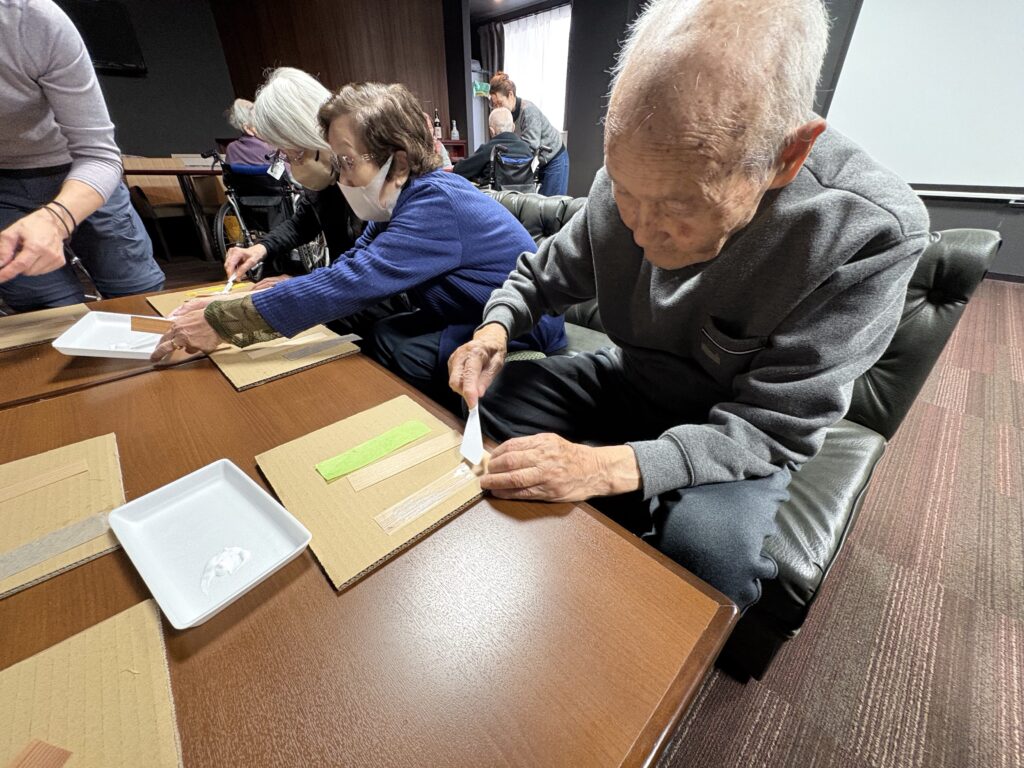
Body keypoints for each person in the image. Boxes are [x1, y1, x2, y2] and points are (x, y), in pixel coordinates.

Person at [448, 0, 930, 611]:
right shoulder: (630, 181)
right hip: (631, 380)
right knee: (486, 403)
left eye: (680, 206)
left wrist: (604, 469)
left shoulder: (868, 230)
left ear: (788, 156)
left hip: (733, 421)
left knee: (709, 550)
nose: (641, 230)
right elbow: (540, 278)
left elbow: (773, 426)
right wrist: (494, 330)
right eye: (626, 192)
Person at [153, 82, 566, 408]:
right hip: (465, 311)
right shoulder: (400, 201)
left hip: (521, 324)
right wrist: (275, 294)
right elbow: (353, 262)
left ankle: (453, 417)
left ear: (397, 161)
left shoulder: (435, 204)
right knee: (385, 334)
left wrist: (224, 321)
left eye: (348, 162)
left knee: (400, 348)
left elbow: (354, 281)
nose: (343, 177)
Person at [0, 0, 163, 311]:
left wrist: (56, 218)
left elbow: (99, 155)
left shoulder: (32, 20)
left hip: (80, 173)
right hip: (4, 189)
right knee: (46, 310)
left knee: (136, 292)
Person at [223, 68, 359, 282]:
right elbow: (304, 221)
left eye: (296, 154)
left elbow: (371, 267)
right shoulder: (325, 177)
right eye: (285, 155)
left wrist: (301, 285)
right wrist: (260, 248)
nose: (294, 167)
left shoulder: (367, 182)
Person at [489, 72, 569, 196]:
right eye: (495, 105)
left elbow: (530, 147)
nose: (498, 108)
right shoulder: (507, 115)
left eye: (500, 103)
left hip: (554, 158)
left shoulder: (528, 111)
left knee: (553, 203)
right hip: (539, 161)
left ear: (510, 95)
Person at [453, 107, 534, 185]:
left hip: (494, 193)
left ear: (491, 131)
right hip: (525, 193)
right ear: (513, 127)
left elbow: (460, 170)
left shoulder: (490, 149)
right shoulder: (526, 149)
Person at [223, 98, 275, 167]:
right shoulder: (271, 148)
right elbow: (288, 171)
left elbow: (228, 172)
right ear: (247, 128)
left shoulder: (231, 148)